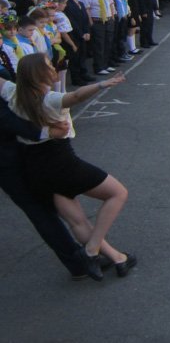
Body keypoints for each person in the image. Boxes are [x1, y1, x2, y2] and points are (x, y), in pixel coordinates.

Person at [5, 54, 135, 280]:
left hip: (34, 166)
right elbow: (75, 96)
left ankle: (117, 258)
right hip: (59, 160)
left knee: (77, 221)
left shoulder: (13, 93)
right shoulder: (49, 99)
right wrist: (103, 84)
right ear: (39, 74)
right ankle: (92, 249)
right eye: (48, 65)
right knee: (118, 193)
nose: (53, 67)